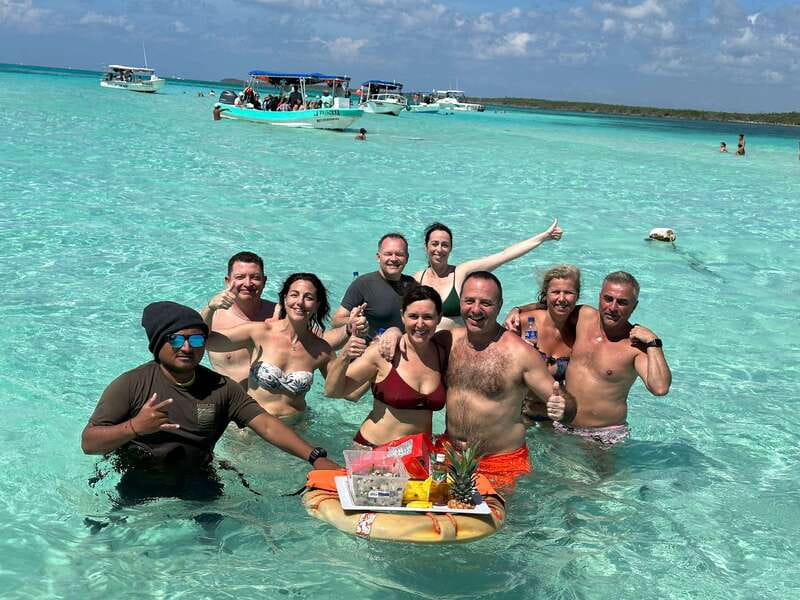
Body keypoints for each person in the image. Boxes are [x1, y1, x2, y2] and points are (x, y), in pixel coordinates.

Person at [81, 301, 339, 504]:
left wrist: (315, 457)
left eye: (195, 340)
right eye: (176, 339)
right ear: (157, 343)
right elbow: (89, 442)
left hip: (198, 477)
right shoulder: (131, 384)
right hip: (138, 476)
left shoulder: (220, 387)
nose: (186, 348)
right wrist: (135, 427)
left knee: (215, 545)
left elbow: (267, 425)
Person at [382, 272, 573, 490]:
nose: (475, 309)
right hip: (449, 454)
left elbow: (566, 405)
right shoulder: (448, 340)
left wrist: (563, 407)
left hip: (500, 462)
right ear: (460, 301)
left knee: (497, 523)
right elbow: (416, 337)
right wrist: (393, 330)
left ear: (500, 305)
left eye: (486, 303)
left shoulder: (521, 354)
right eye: (469, 301)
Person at [206, 273, 363, 422]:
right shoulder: (259, 332)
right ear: (284, 299)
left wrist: (352, 354)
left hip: (297, 426)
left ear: (317, 305)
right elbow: (204, 341)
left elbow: (336, 392)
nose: (299, 302)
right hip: (253, 424)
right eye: (294, 295)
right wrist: (211, 308)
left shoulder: (321, 349)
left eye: (308, 297)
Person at [556, 271, 672, 446]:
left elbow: (660, 388)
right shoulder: (583, 316)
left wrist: (653, 342)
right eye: (608, 299)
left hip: (604, 435)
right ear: (599, 297)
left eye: (622, 302)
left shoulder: (634, 347)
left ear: (634, 306)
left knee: (605, 476)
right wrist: (518, 310)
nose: (613, 308)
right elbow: (551, 309)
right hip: (562, 424)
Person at [325, 286, 447, 447]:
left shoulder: (443, 352)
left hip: (417, 455)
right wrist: (345, 355)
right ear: (402, 316)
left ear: (439, 318)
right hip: (373, 449)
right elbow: (333, 391)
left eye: (428, 317)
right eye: (413, 316)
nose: (420, 324)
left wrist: (393, 329)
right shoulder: (382, 352)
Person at [413, 219, 563, 330]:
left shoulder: (460, 273)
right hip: (428, 352)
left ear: (450, 249)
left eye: (445, 245)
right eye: (434, 244)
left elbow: (504, 255)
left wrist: (543, 237)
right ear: (426, 246)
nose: (439, 249)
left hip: (456, 349)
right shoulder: (416, 279)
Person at [503, 265, 582, 422]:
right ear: (545, 294)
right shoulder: (522, 322)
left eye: (568, 293)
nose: (561, 298)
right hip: (517, 414)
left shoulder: (578, 331)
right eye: (555, 292)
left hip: (552, 419)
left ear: (577, 296)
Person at [201, 252, 277, 385]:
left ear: (264, 281)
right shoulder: (212, 317)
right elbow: (195, 342)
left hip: (269, 402)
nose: (248, 283)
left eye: (255, 277)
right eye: (240, 277)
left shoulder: (279, 315)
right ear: (228, 281)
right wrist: (210, 308)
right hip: (227, 400)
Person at [331, 233, 418, 340]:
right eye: (388, 254)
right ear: (378, 257)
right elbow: (336, 321)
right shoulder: (363, 284)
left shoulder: (412, 285)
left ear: (407, 258)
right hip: (371, 351)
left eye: (399, 254)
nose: (394, 258)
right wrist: (353, 321)